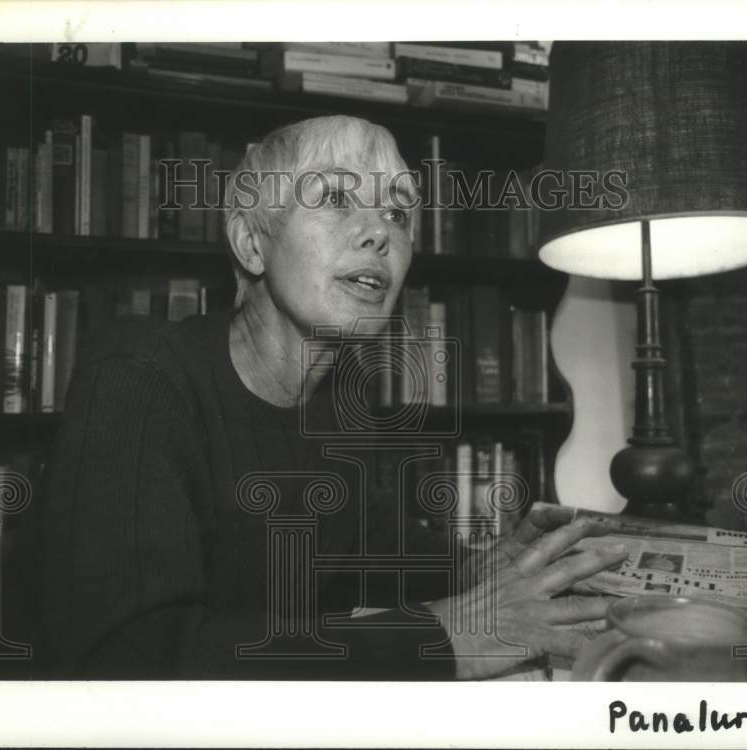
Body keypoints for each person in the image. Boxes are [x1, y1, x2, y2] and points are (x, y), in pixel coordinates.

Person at [36, 115, 628, 680]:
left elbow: (377, 551)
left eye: (397, 212)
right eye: (337, 199)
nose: (380, 233)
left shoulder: (338, 401)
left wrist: (485, 568)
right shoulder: (138, 376)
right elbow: (126, 655)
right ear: (251, 243)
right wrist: (445, 635)